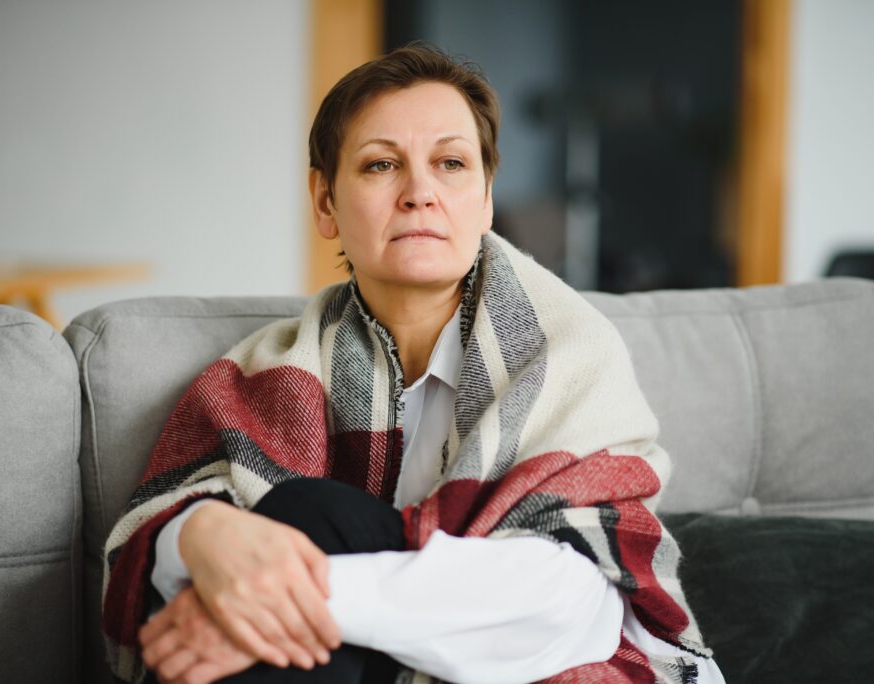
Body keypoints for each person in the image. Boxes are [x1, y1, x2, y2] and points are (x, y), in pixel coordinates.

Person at [101, 44, 725, 684]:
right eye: (380, 166)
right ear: (325, 203)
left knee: (307, 523)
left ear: (485, 199)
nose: (419, 193)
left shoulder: (568, 353)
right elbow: (159, 535)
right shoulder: (270, 374)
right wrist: (200, 535)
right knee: (300, 518)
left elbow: (565, 604)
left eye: (450, 163)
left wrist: (295, 605)